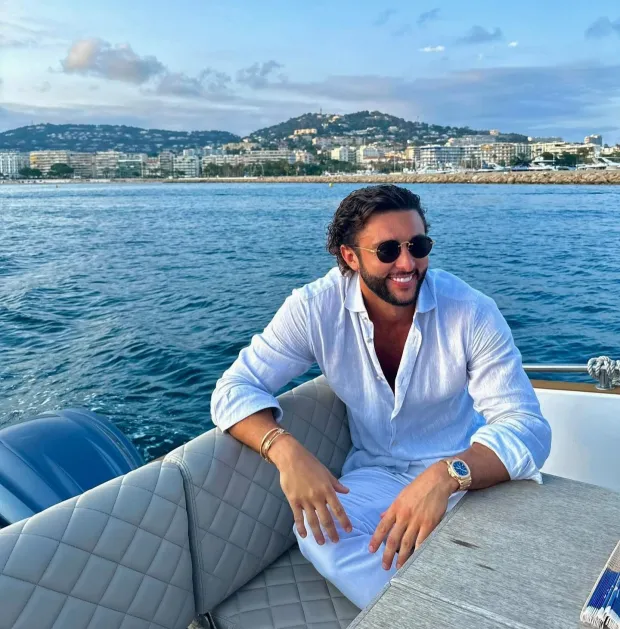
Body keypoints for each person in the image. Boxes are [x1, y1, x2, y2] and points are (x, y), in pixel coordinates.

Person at [210, 184, 551, 609]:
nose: (407, 263)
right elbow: (233, 388)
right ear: (350, 257)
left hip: (465, 471)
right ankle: (428, 612)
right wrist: (284, 450)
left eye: (418, 245)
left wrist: (446, 475)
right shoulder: (315, 308)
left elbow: (528, 428)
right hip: (374, 473)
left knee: (508, 553)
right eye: (388, 250)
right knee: (318, 533)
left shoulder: (470, 310)